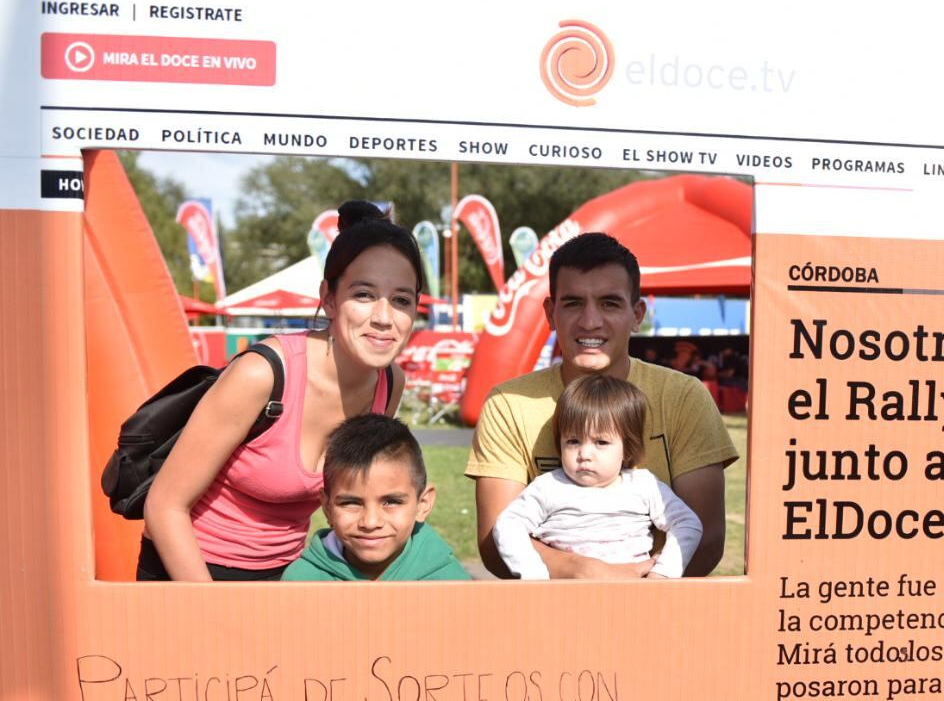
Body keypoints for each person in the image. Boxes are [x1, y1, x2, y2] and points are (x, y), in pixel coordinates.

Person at [139, 201, 420, 581]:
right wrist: (206, 616)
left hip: (285, 578)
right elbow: (164, 506)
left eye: (401, 300)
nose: (384, 318)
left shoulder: (389, 384)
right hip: (188, 573)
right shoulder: (263, 374)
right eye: (364, 295)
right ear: (329, 298)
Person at [466, 231, 737, 579]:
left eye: (609, 303)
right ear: (550, 312)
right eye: (573, 302)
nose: (590, 321)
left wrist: (644, 589)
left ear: (637, 314)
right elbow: (495, 542)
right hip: (549, 615)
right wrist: (583, 571)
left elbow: (707, 536)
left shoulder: (684, 397)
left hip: (658, 612)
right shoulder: (508, 404)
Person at [492, 375, 702, 580]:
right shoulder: (548, 486)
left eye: (601, 442)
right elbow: (509, 525)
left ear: (627, 449)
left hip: (636, 595)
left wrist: (663, 573)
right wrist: (534, 575)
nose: (584, 454)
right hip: (566, 596)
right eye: (573, 441)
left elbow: (687, 522)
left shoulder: (645, 486)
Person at [282, 415, 469, 582]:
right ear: (327, 507)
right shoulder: (302, 581)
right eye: (351, 503)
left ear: (423, 504)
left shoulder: (449, 583)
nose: (370, 523)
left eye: (392, 502)